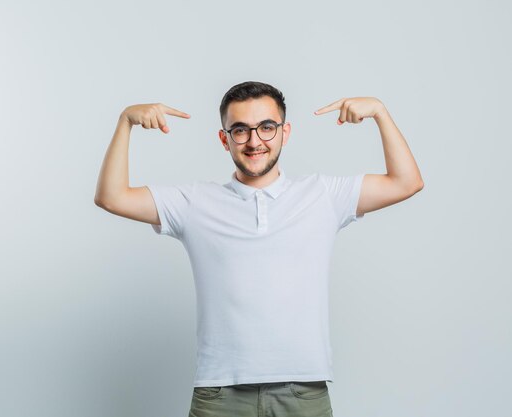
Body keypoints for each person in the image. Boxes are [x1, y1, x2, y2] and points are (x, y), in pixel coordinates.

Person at [95, 81, 424, 417]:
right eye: (240, 130)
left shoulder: (323, 195)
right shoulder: (195, 202)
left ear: (285, 132)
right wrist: (126, 122)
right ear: (224, 139)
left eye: (267, 127)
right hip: (220, 393)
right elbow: (111, 197)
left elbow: (407, 182)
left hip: (304, 388)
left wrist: (380, 113)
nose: (255, 141)